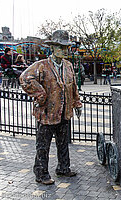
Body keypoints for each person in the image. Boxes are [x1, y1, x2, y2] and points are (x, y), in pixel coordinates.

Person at [19, 30, 82, 185]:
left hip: (63, 112)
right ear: (52, 48)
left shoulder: (68, 66)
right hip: (46, 113)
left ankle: (63, 168)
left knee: (63, 142)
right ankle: (41, 173)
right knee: (43, 146)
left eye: (66, 47)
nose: (65, 50)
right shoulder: (41, 66)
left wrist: (77, 103)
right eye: (61, 47)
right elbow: (24, 78)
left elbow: (73, 87)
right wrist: (40, 94)